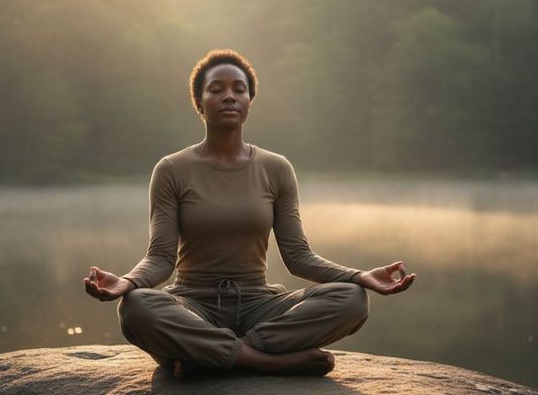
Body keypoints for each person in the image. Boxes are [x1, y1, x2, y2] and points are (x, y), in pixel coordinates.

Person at [83, 49, 416, 378]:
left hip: (260, 305)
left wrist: (360, 277)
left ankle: (207, 355)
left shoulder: (276, 168)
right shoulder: (172, 169)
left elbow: (299, 256)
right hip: (192, 303)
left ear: (249, 101)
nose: (229, 96)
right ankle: (269, 362)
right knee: (137, 307)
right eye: (216, 89)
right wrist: (127, 282)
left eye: (238, 89)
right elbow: (159, 258)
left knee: (352, 300)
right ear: (199, 103)